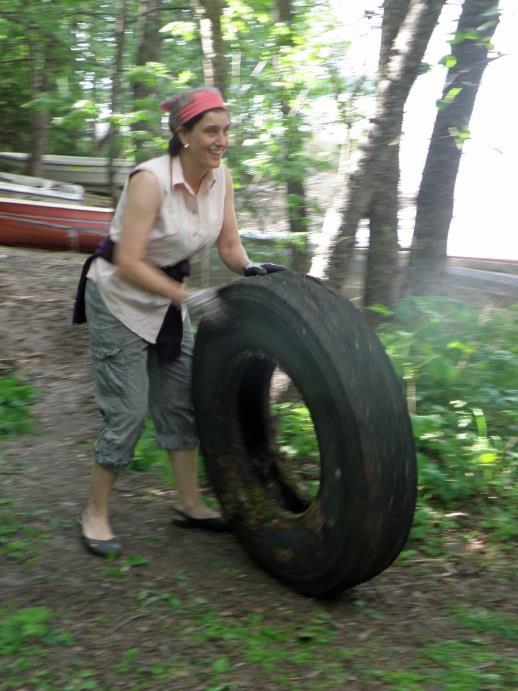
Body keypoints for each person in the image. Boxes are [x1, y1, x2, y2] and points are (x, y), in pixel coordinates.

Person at [73, 86, 285, 557]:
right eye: (211, 130)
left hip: (167, 301)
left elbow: (229, 246)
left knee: (182, 402)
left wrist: (251, 270)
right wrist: (187, 296)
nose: (221, 140)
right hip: (119, 299)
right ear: (183, 134)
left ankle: (189, 504)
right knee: (127, 412)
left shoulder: (220, 178)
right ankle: (95, 513)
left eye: (226, 130)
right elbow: (128, 260)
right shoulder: (150, 180)